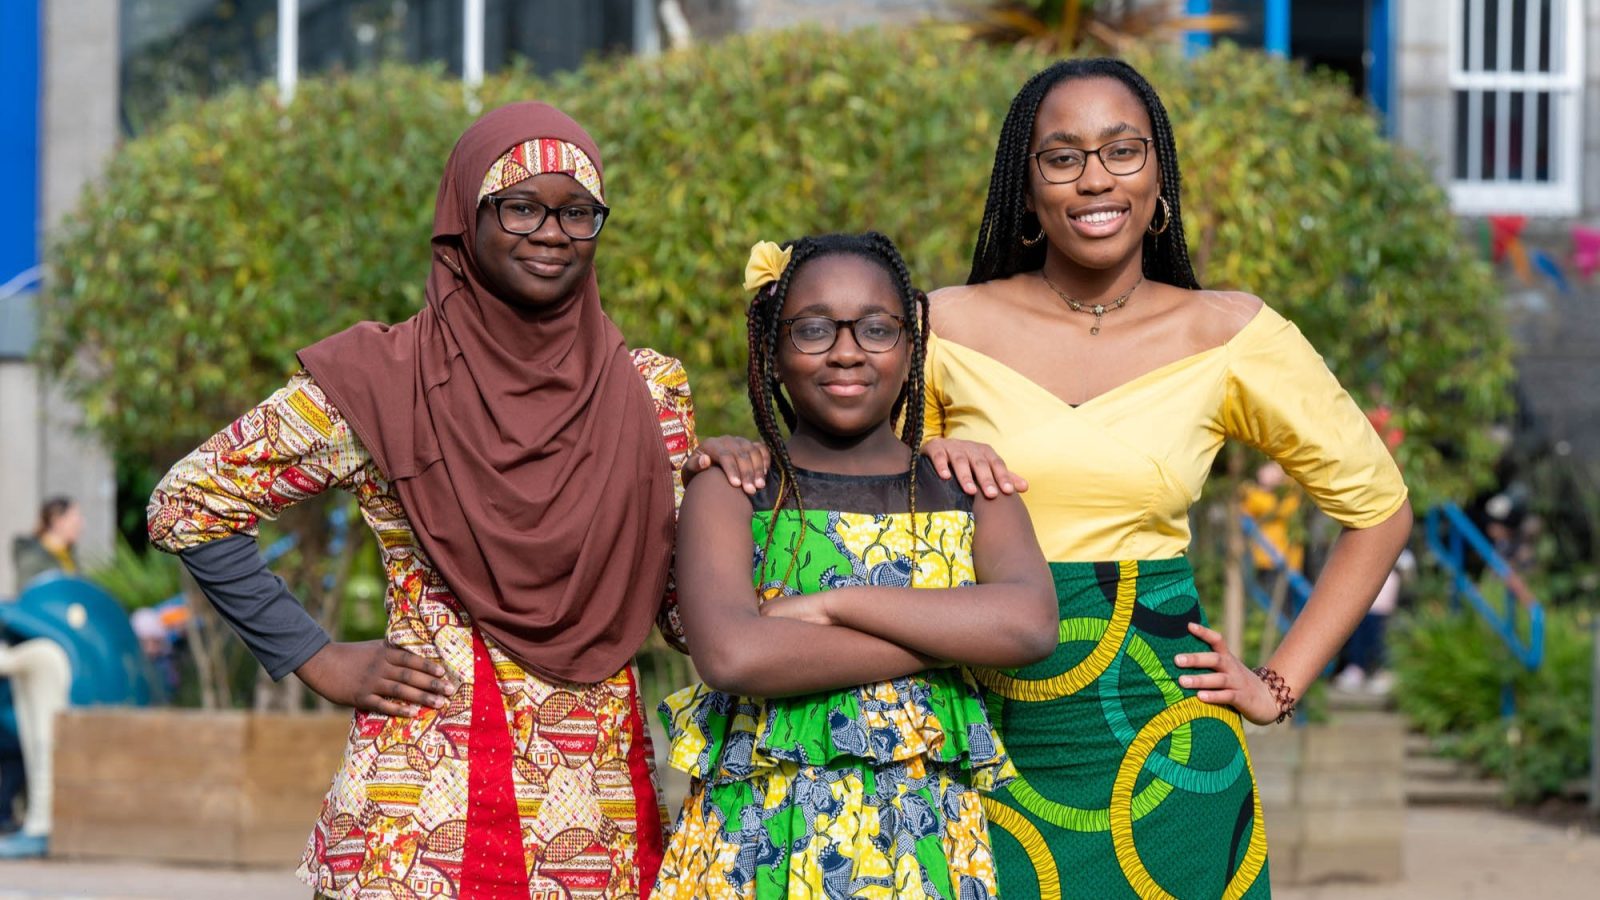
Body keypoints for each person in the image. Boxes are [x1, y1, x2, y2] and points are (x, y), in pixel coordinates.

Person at [148, 102, 696, 898]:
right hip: (422, 814)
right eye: (521, 207)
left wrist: (734, 494)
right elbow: (187, 502)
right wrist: (313, 656)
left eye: (577, 213)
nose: (552, 233)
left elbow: (677, 606)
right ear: (464, 219)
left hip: (591, 820)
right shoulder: (384, 379)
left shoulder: (649, 392)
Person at [917, 58, 1413, 897]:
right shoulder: (942, 327)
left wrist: (1277, 685)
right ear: (1026, 189)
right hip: (977, 738)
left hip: (1166, 747)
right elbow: (850, 497)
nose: (1095, 179)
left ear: (1159, 179)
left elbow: (1380, 511)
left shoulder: (1229, 334)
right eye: (1062, 157)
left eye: (1123, 150)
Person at [654, 234, 1057, 898]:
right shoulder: (733, 489)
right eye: (814, 330)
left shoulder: (967, 487)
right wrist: (952, 638)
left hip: (922, 847)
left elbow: (1030, 624)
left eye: (876, 328)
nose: (846, 351)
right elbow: (733, 655)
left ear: (911, 348)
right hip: (758, 845)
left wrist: (833, 605)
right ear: (773, 351)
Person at [11, 497, 83, 592]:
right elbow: (27, 593)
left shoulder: (68, 555)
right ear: (57, 521)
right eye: (75, 521)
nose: (81, 525)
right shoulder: (33, 556)